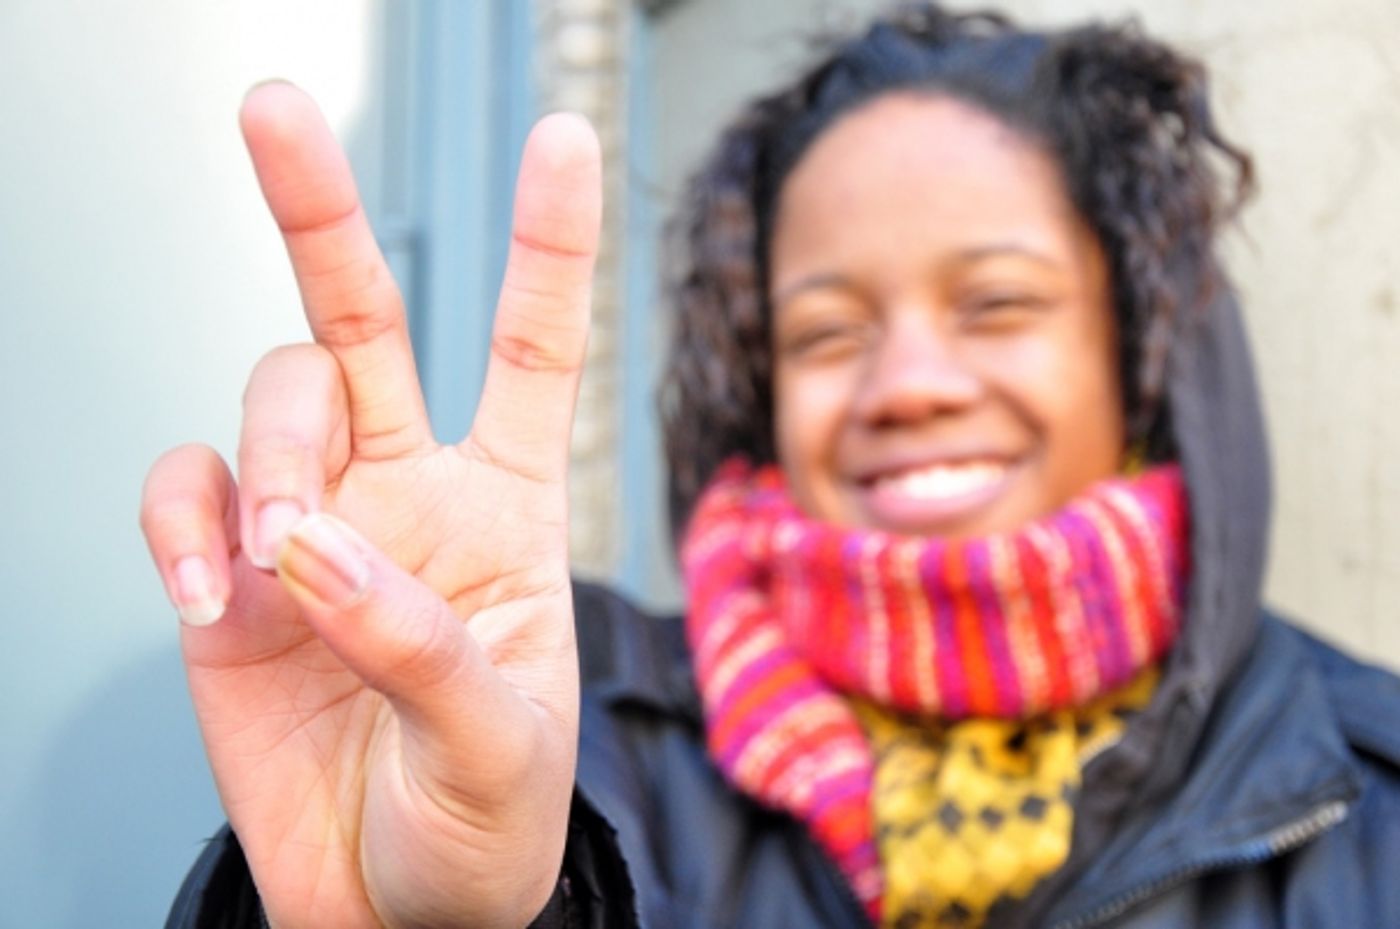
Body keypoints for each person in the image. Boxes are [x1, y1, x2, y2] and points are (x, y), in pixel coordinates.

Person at [145, 5, 1400, 928]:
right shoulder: (577, 745)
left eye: (998, 305)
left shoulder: (1364, 812)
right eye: (825, 330)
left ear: (1142, 358)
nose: (904, 382)